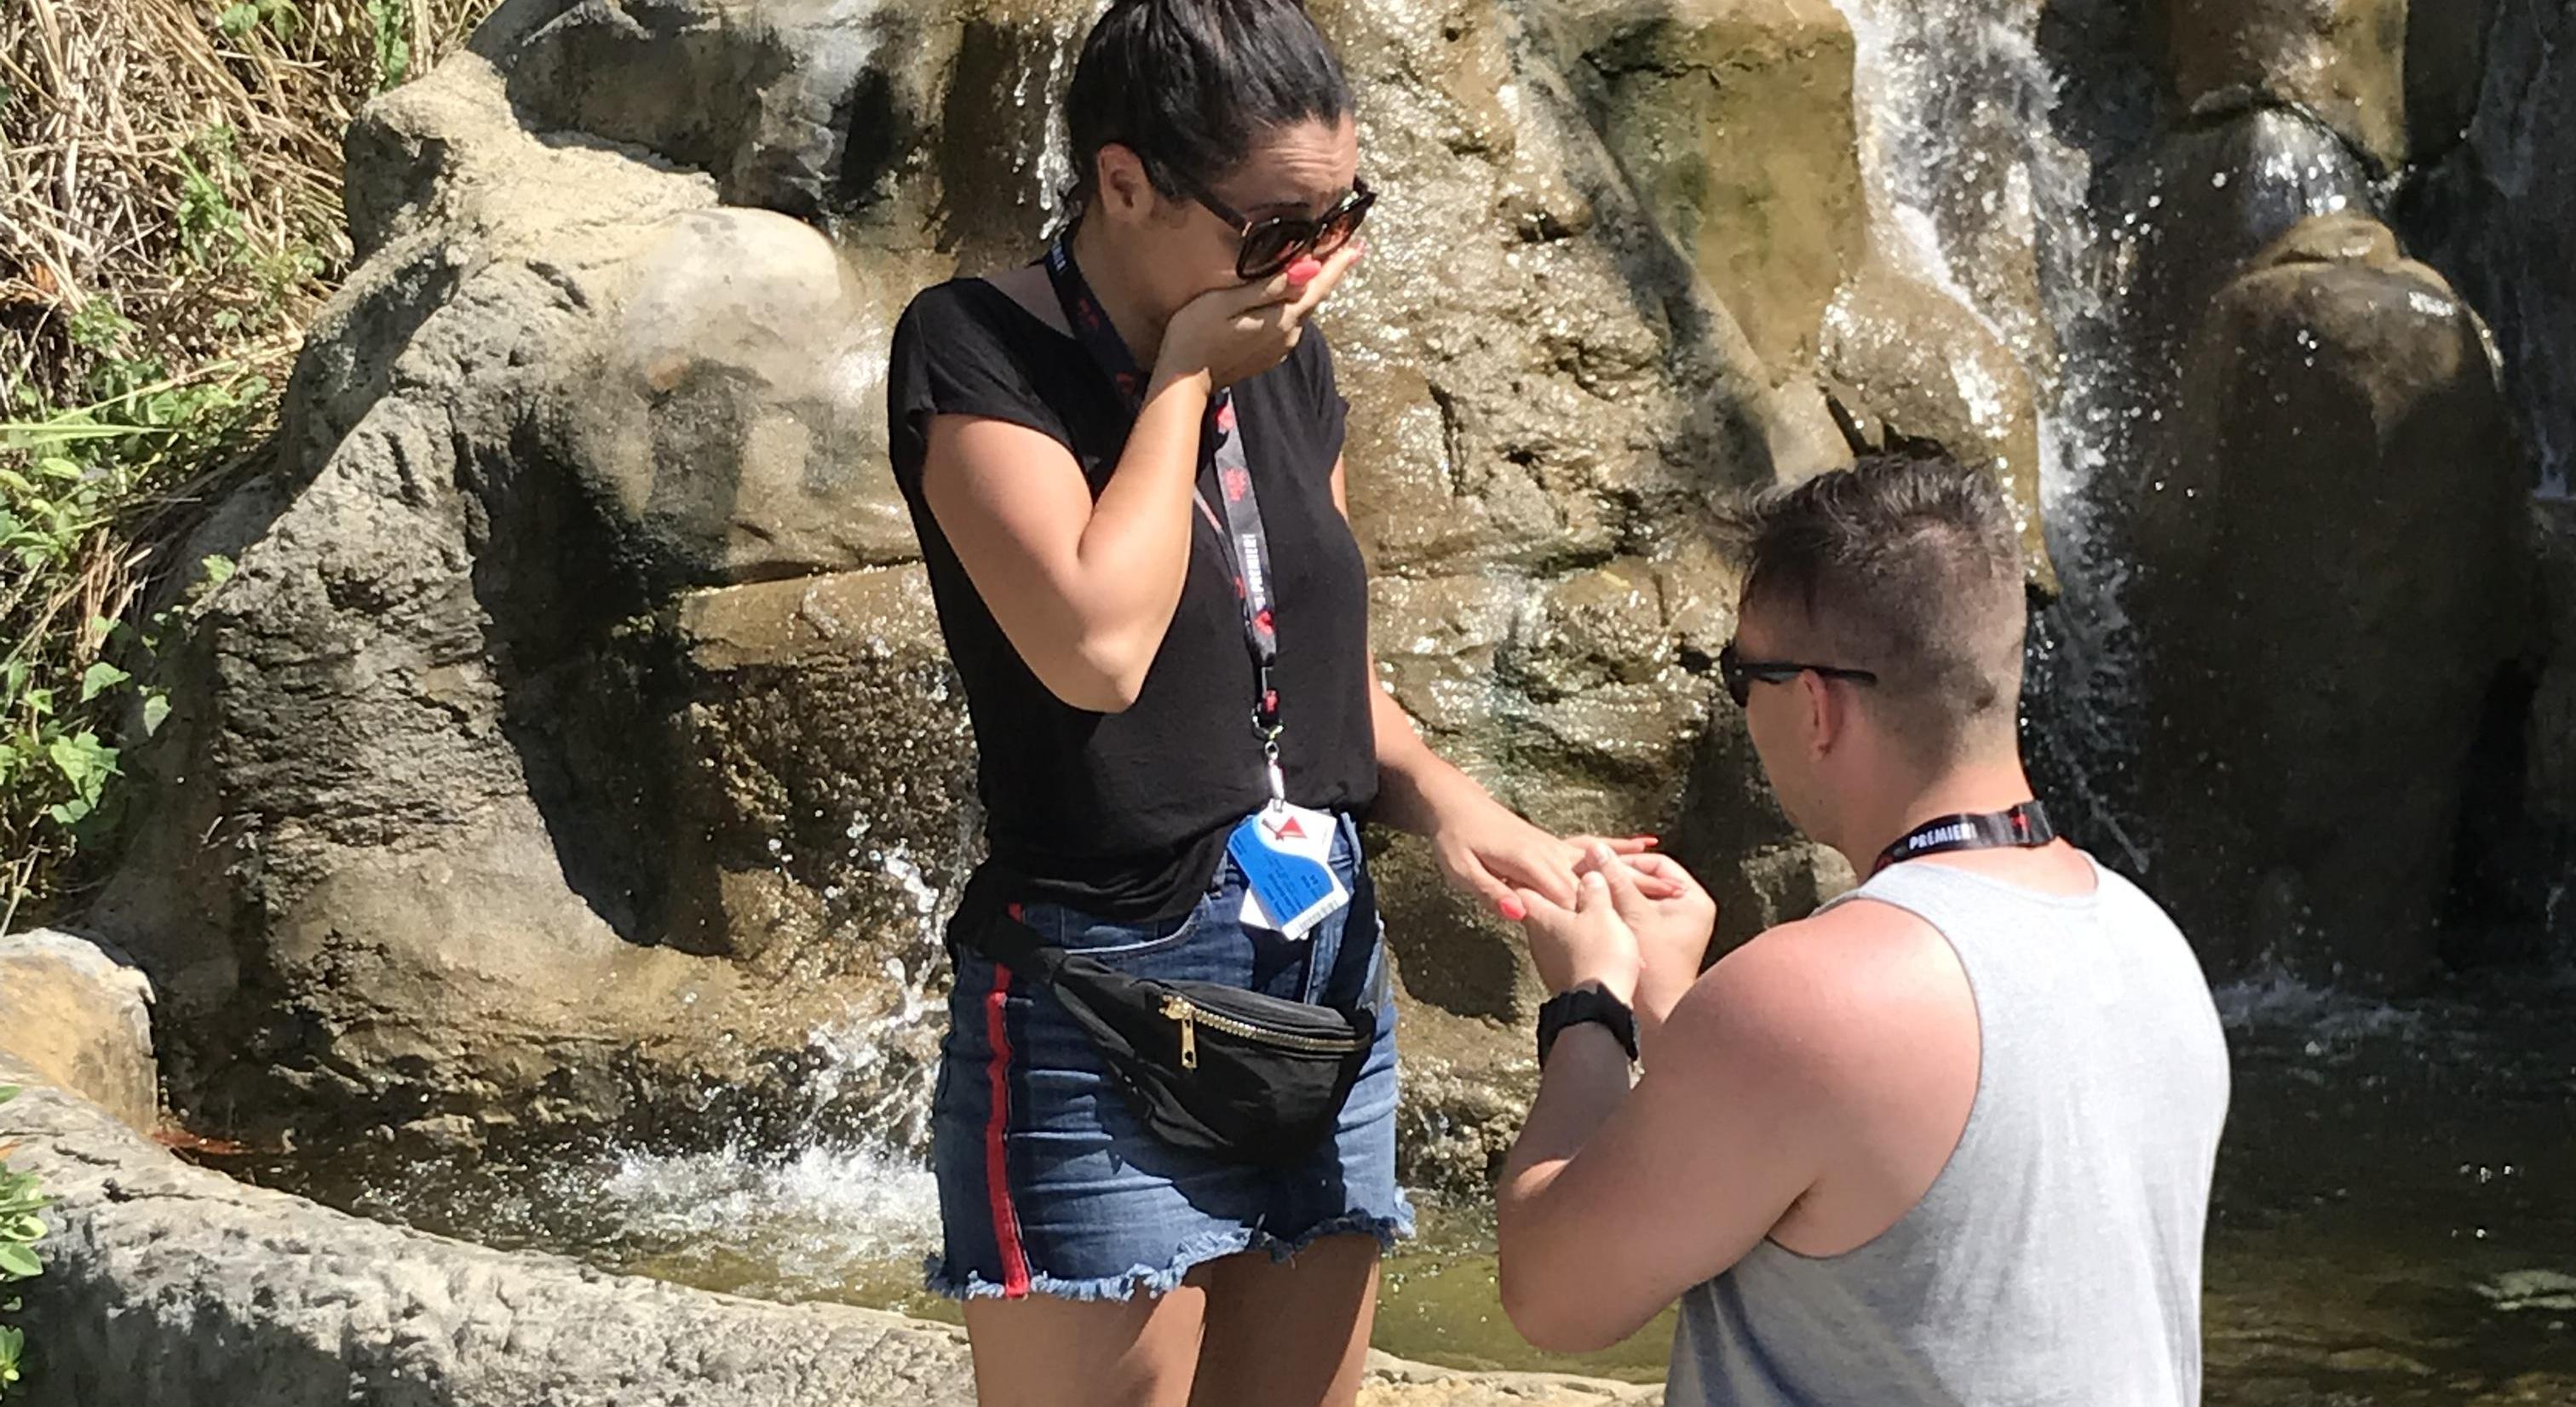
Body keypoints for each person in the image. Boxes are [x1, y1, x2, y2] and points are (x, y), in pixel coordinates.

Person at [883, 3, 1654, 1403]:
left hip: (1317, 965)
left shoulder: (1289, 357)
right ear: (1124, 183)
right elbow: (1096, 644)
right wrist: (1182, 378)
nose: (1310, 265)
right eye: (1275, 227)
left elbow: (1319, 673)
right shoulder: (973, 347)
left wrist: (1466, 813)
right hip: (1103, 991)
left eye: (1338, 218)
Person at [1492, 453, 2234, 1404]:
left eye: (1741, 674)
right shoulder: (2150, 943)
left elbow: (1552, 1295)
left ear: (1815, 704)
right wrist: (1674, 997)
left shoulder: (1814, 998)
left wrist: (1591, 1004)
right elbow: (1855, 1172)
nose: (1739, 705)